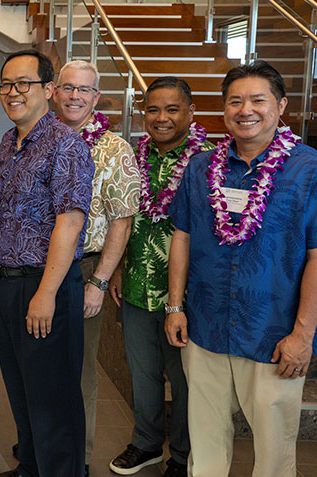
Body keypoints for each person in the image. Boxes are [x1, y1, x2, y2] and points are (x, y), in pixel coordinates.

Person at [166, 61, 317, 476]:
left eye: (258, 100)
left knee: (273, 450)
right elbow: (183, 236)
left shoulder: (311, 171)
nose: (245, 109)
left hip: (274, 334)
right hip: (206, 327)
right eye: (235, 101)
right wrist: (175, 306)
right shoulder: (200, 169)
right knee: (206, 441)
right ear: (224, 110)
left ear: (280, 106)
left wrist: (303, 336)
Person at [0, 50, 94, 477]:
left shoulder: (65, 145)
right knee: (21, 388)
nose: (13, 92)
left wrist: (46, 294)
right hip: (6, 284)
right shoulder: (6, 144)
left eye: (24, 83)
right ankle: (30, 467)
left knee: (54, 398)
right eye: (6, 85)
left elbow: (69, 222)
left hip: (44, 285)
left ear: (48, 90)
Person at [107, 77, 212, 476]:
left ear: (190, 112)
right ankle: (146, 443)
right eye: (153, 109)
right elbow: (124, 217)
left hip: (183, 295)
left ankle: (184, 456)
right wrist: (117, 267)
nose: (161, 118)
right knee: (143, 372)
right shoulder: (135, 155)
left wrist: (180, 298)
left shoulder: (207, 162)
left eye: (172, 109)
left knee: (184, 380)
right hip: (134, 285)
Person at [52, 60, 140, 477]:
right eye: (68, 87)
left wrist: (100, 282)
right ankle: (44, 444)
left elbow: (122, 221)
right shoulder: (38, 140)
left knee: (79, 370)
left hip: (84, 269)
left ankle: (77, 459)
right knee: (41, 364)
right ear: (53, 91)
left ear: (96, 97)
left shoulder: (114, 149)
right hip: (37, 270)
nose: (74, 96)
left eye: (84, 90)